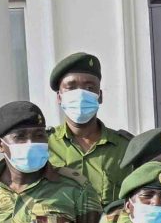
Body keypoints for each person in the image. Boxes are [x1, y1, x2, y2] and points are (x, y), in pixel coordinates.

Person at [44, 51, 131, 204]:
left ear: (100, 96)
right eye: (71, 88)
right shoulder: (44, 145)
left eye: (89, 88)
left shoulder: (126, 147)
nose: (81, 95)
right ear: (59, 97)